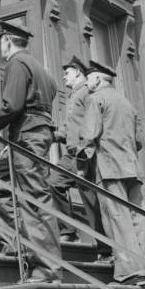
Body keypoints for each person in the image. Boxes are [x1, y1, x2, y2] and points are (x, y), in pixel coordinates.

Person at [0, 20, 62, 283]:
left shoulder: (16, 63)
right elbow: (52, 93)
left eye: (1, 41)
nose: (0, 46)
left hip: (26, 137)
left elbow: (11, 105)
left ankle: (47, 269)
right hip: (34, 135)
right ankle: (20, 244)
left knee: (34, 200)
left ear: (8, 41)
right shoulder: (41, 69)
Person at [77, 60, 145, 285]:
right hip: (133, 168)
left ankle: (129, 272)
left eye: (89, 79)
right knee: (138, 221)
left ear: (98, 79)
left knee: (118, 220)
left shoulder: (95, 98)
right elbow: (139, 141)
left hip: (110, 168)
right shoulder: (127, 103)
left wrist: (81, 167)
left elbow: (88, 135)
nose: (87, 83)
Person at [50, 55, 96, 243]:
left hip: (83, 155)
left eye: (67, 73)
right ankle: (68, 230)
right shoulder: (74, 94)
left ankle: (105, 249)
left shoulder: (87, 92)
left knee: (91, 200)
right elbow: (70, 125)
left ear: (78, 72)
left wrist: (85, 152)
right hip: (70, 156)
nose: (64, 77)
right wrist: (53, 136)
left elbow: (91, 124)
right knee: (54, 182)